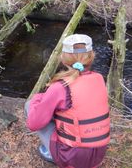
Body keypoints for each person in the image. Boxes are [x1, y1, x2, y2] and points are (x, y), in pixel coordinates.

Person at [25, 34, 110, 168]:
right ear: (91, 56)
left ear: (63, 59)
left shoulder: (60, 87)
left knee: (29, 105)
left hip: (72, 158)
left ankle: (52, 154)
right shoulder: (99, 78)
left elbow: (33, 124)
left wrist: (37, 98)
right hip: (98, 154)